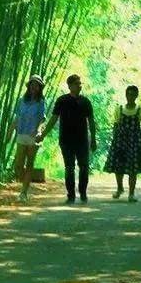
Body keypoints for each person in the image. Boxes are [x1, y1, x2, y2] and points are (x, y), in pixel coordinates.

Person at [38, 73, 97, 204]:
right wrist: (43, 135)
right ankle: (71, 195)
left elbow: (91, 122)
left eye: (80, 83)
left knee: (84, 167)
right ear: (70, 86)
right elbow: (53, 120)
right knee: (69, 167)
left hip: (82, 140)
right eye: (77, 83)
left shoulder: (86, 102)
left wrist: (93, 139)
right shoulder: (62, 100)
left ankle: (83, 192)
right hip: (66, 140)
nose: (79, 86)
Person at [105, 85, 141, 201]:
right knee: (119, 166)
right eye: (129, 94)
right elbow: (115, 124)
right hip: (120, 141)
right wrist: (115, 139)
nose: (130, 96)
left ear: (136, 95)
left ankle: (131, 194)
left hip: (134, 142)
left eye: (133, 94)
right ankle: (119, 188)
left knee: (133, 169)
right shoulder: (119, 109)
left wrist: (140, 135)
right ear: (125, 94)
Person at [11, 75, 46, 203]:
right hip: (21, 133)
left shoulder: (41, 102)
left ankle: (24, 192)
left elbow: (42, 119)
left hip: (33, 136)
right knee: (18, 166)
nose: (34, 87)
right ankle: (26, 184)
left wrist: (38, 131)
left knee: (29, 164)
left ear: (40, 87)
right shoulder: (21, 101)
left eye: (37, 85)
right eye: (32, 84)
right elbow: (17, 118)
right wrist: (10, 131)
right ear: (29, 85)